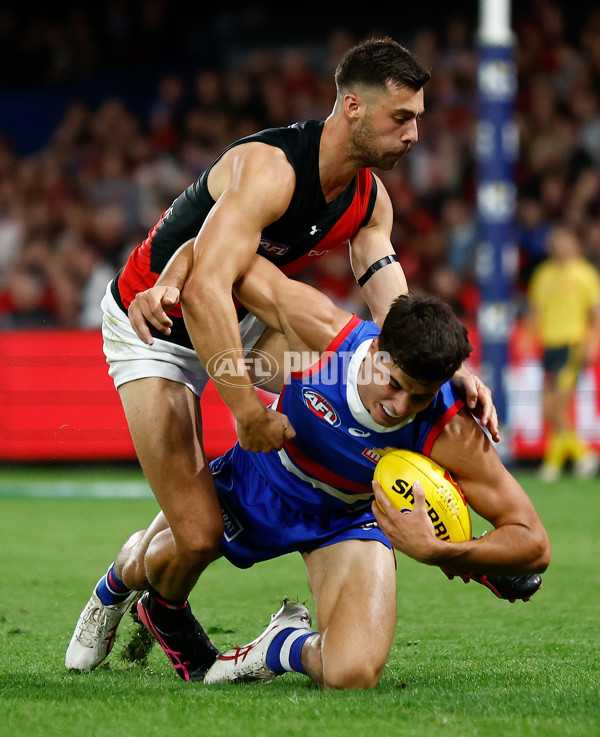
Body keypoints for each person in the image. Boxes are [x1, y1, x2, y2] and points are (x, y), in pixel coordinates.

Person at [65, 38, 498, 680]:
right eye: (402, 118)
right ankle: (117, 588)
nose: (414, 133)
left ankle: (316, 515)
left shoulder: (368, 198)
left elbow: (385, 289)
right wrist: (244, 407)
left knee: (343, 377)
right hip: (154, 326)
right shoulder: (271, 168)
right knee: (198, 534)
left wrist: (443, 368)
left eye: (418, 119)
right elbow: (204, 286)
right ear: (352, 107)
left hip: (241, 315)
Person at [66, 255, 549, 690]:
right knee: (158, 562)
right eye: (394, 383)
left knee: (352, 673)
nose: (399, 407)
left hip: (347, 517)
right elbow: (214, 249)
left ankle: (279, 644)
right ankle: (115, 585)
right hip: (256, 486)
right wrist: (168, 281)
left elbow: (533, 541)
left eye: (419, 396)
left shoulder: (451, 429)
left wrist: (447, 551)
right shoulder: (317, 330)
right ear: (378, 346)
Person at [527, 224, 600, 482]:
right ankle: (568, 459)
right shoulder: (543, 275)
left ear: (575, 244)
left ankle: (573, 458)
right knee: (549, 407)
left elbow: (595, 312)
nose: (559, 246)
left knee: (556, 405)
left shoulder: (585, 274)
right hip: (549, 345)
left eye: (564, 240)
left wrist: (594, 341)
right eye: (555, 241)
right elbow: (535, 310)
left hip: (572, 343)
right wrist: (529, 336)